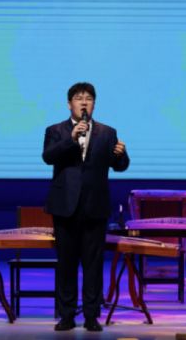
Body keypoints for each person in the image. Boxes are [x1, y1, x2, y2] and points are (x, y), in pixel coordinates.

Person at [42, 82, 129, 332]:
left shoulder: (107, 132)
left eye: (88, 98)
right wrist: (71, 139)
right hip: (65, 206)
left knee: (93, 264)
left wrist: (121, 155)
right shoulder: (55, 130)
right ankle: (67, 315)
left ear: (94, 104)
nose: (84, 102)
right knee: (66, 264)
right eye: (78, 98)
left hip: (95, 205)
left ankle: (92, 315)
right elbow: (48, 156)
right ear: (69, 104)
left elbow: (119, 166)